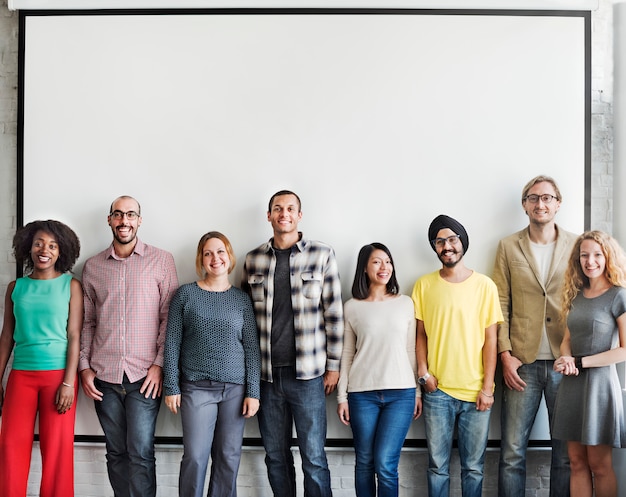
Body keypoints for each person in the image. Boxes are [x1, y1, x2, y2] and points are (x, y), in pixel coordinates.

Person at [241, 189, 344, 497]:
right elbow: (244, 322)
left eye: (289, 208)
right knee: (275, 457)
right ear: (269, 216)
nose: (283, 213)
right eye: (277, 208)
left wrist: (334, 366)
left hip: (309, 376)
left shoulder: (322, 254)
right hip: (267, 377)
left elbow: (334, 314)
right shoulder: (253, 259)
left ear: (299, 215)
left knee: (313, 459)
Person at [79, 195, 179, 497]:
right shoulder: (93, 266)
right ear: (109, 219)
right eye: (118, 215)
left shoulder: (162, 260)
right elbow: (88, 322)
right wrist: (84, 368)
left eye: (131, 215)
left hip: (144, 378)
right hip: (103, 378)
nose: (124, 221)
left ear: (139, 220)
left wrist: (160, 365)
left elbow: (169, 318)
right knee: (116, 453)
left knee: (140, 454)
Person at [493, 175, 577, 497]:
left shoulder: (576, 244)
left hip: (563, 362)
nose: (540, 204)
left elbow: (582, 298)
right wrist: (505, 354)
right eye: (533, 198)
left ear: (558, 203)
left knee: (564, 454)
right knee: (512, 453)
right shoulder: (508, 246)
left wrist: (576, 353)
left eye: (547, 198)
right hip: (522, 363)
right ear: (524, 204)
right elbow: (500, 302)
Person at [163, 231, 261, 497]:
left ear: (229, 256)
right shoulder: (185, 295)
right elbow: (171, 342)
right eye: (208, 253)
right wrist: (171, 386)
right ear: (201, 260)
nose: (214, 258)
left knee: (228, 458)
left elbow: (252, 348)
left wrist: (253, 392)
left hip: (235, 389)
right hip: (196, 388)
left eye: (220, 252)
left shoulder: (241, 299)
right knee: (195, 456)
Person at [412, 214, 502, 497]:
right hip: (437, 392)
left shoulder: (485, 285)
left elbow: (491, 340)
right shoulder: (424, 285)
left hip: (476, 392)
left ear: (462, 242)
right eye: (440, 241)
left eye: (452, 239)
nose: (446, 246)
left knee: (473, 468)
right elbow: (420, 336)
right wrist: (424, 375)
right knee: (437, 466)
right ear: (435, 247)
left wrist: (488, 388)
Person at [0, 220, 83, 497]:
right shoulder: (16, 288)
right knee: (11, 448)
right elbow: (6, 338)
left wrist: (69, 383)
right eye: (38, 243)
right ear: (28, 247)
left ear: (62, 251)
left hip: (59, 377)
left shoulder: (70, 286)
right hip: (20, 377)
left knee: (57, 452)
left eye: (52, 245)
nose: (44, 250)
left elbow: (74, 336)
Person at [337, 242, 421, 497]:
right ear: (364, 268)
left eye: (388, 261)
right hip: (362, 395)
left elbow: (410, 350)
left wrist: (417, 392)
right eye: (376, 261)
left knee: (385, 463)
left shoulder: (405, 303)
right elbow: (347, 354)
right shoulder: (352, 307)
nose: (384, 267)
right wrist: (342, 397)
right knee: (364, 462)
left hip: (401, 394)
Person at [552, 231, 626, 497]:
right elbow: (567, 339)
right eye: (584, 255)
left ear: (608, 257)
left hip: (600, 388)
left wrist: (580, 362)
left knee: (599, 464)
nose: (590, 261)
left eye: (597, 254)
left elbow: (624, 351)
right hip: (572, 386)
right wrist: (565, 358)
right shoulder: (576, 295)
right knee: (576, 462)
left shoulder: (619, 295)